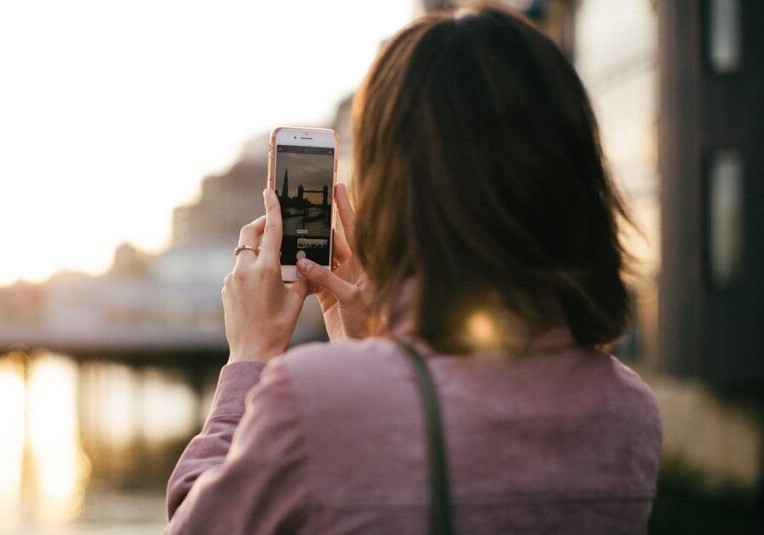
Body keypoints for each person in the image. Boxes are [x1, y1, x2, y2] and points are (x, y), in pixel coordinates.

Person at [165, 5, 661, 534]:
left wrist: (251, 356)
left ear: (392, 187)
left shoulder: (309, 399)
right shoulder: (629, 412)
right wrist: (373, 347)